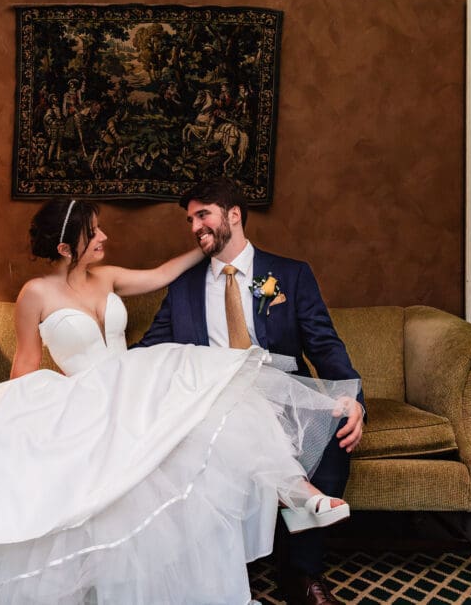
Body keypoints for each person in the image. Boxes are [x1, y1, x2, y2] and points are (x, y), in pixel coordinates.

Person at [0, 197, 361, 605]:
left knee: (224, 383)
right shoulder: (35, 293)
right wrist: (12, 415)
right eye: (94, 231)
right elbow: (24, 362)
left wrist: (209, 246)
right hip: (82, 393)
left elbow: (162, 272)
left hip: (130, 378)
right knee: (209, 385)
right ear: (67, 246)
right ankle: (296, 496)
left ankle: (299, 494)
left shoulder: (106, 277)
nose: (104, 235)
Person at [136, 177, 366, 605]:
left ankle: (303, 576)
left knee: (333, 425)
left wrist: (353, 399)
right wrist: (108, 378)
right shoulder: (185, 286)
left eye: (203, 214)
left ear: (234, 214)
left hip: (280, 395)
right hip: (214, 402)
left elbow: (324, 345)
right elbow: (152, 348)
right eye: (189, 218)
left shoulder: (291, 275)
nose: (194, 226)